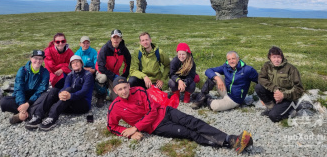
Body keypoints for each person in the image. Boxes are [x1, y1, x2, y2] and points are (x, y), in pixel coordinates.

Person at [107, 76, 253, 154]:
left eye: (125, 87)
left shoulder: (138, 91)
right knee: (189, 133)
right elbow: (111, 126)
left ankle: (231, 138)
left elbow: (152, 111)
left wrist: (135, 127)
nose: (124, 91)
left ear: (129, 86)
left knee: (194, 122)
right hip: (156, 126)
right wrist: (130, 133)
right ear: (115, 90)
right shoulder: (114, 107)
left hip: (165, 111)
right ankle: (229, 145)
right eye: (120, 89)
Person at [25, 55, 94, 131]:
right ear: (71, 65)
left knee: (70, 90)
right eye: (73, 63)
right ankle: (38, 116)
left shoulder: (88, 75)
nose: (75, 64)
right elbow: (65, 88)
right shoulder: (70, 75)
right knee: (54, 90)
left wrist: (70, 96)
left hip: (83, 104)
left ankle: (51, 118)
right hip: (69, 103)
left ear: (81, 63)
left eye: (77, 62)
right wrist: (61, 94)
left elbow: (84, 91)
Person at [191, 51, 258, 111]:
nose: (231, 61)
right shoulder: (226, 67)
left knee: (215, 106)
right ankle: (200, 98)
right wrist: (218, 78)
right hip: (225, 92)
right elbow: (208, 71)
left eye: (233, 58)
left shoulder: (248, 70)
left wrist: (263, 98)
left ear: (238, 59)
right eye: (229, 59)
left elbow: (260, 81)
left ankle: (206, 98)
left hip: (234, 100)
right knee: (215, 74)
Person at [255, 46, 304, 122]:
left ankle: (292, 109)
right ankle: (271, 108)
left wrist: (283, 95)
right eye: (274, 57)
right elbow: (261, 78)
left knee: (273, 117)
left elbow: (299, 89)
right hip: (275, 94)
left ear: (282, 57)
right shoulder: (267, 66)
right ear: (269, 57)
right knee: (259, 87)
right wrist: (275, 89)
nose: (276, 60)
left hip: (288, 98)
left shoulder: (291, 69)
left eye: (278, 57)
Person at [0, 50, 49, 124]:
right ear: (31, 58)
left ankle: (20, 116)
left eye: (40, 59)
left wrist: (28, 104)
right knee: (4, 101)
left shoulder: (45, 72)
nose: (38, 61)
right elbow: (19, 89)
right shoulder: (22, 70)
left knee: (46, 96)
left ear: (43, 60)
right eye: (35, 58)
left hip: (35, 100)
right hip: (23, 98)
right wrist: (22, 104)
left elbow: (41, 90)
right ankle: (30, 113)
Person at [95, 29, 131, 101]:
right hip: (103, 72)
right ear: (111, 39)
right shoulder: (104, 49)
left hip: (115, 74)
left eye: (118, 37)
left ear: (121, 39)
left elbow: (128, 63)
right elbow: (101, 67)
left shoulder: (124, 50)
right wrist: (113, 76)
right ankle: (100, 94)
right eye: (114, 37)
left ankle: (108, 90)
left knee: (116, 98)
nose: (116, 39)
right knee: (103, 78)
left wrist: (124, 76)